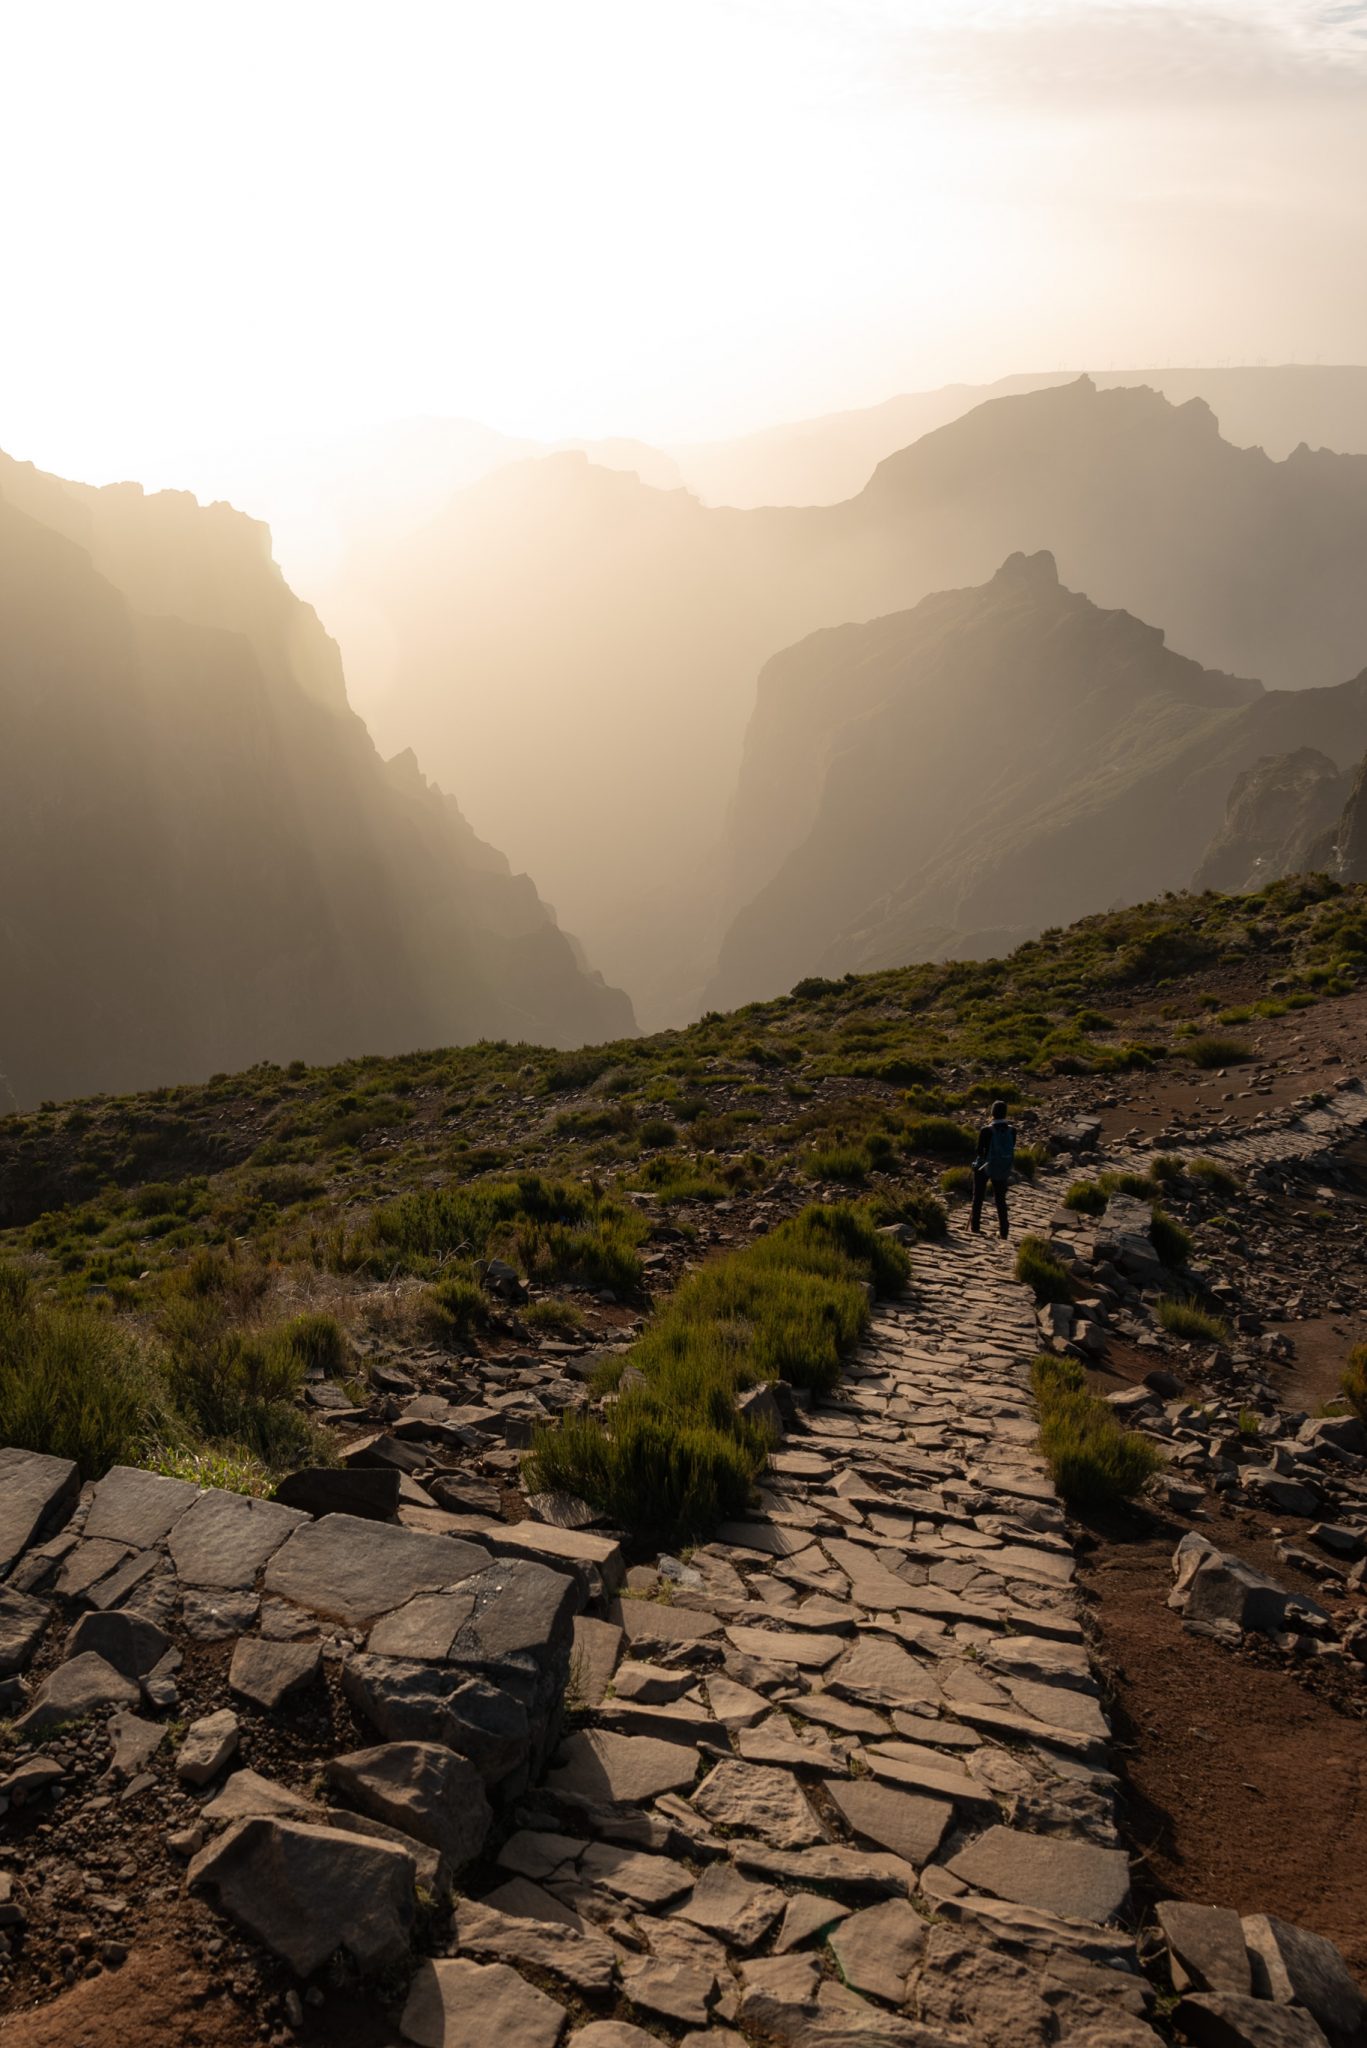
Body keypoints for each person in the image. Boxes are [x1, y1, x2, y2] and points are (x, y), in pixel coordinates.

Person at [970, 1099, 1016, 1238]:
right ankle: (1003, 1231)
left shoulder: (986, 1130)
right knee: (1000, 1199)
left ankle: (975, 1227)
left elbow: (979, 1151)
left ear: (992, 1113)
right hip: (1002, 1167)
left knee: (978, 1196)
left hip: (984, 1166)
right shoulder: (1012, 1130)